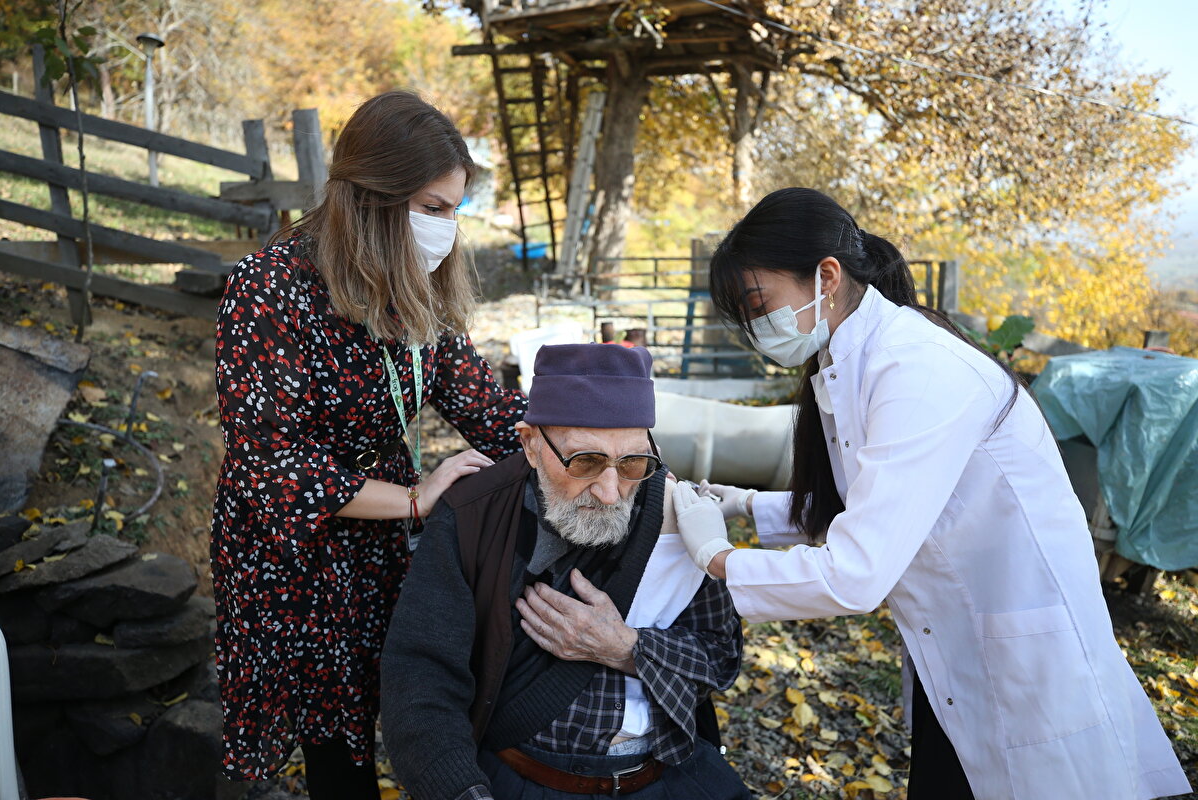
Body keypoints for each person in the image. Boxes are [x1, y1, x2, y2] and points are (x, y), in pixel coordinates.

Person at [671, 188, 1191, 800]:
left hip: (1024, 667)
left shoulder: (916, 367)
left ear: (827, 276)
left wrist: (716, 559)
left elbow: (856, 573)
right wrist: (741, 504)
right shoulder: (851, 360)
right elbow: (869, 508)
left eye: (759, 303)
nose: (758, 328)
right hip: (958, 655)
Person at [211, 91, 527, 799]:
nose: (449, 228)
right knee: (332, 746)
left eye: (456, 209)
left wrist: (586, 435)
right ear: (374, 198)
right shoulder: (268, 293)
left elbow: (488, 408)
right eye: (435, 208)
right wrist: (417, 497)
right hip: (295, 548)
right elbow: (273, 466)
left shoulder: (410, 288)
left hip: (379, 536)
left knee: (397, 706)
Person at [380, 344, 748, 800]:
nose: (612, 492)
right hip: (525, 778)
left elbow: (722, 656)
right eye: (585, 462)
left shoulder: (677, 513)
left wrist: (626, 648)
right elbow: (421, 675)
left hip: (666, 772)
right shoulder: (473, 515)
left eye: (632, 462)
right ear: (530, 444)